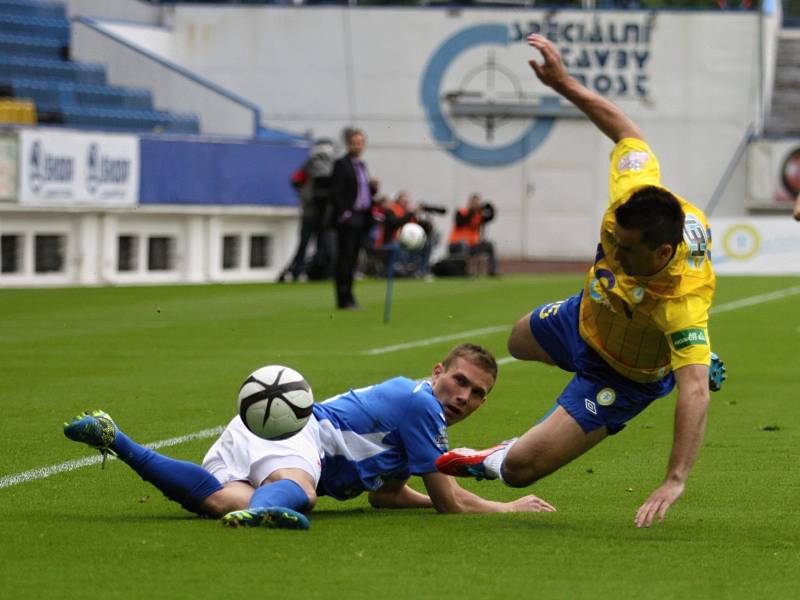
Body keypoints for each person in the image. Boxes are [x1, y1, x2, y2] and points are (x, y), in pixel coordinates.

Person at [436, 34, 726, 529]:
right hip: (585, 316)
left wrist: (675, 477)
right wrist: (564, 83)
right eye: (614, 237)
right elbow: (628, 132)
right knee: (517, 339)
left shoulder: (682, 300)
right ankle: (679, 353)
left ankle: (492, 457)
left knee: (521, 471)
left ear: (661, 253)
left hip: (623, 375)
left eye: (627, 250)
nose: (613, 249)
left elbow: (695, 393)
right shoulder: (633, 197)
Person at [63, 344, 555, 530]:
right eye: (459, 381)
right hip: (295, 430)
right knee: (300, 491)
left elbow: (385, 497)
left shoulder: (417, 413)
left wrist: (433, 496)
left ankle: (117, 438)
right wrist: (507, 507)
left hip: (260, 429)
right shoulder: (422, 406)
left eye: (477, 393)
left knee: (221, 502)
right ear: (437, 373)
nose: (463, 396)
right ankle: (268, 508)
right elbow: (450, 503)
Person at [278, 138, 335, 283]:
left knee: (309, 243)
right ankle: (306, 271)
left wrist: (302, 193)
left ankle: (302, 271)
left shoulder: (309, 165)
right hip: (317, 212)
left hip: (313, 212)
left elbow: (296, 180)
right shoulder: (322, 165)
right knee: (317, 243)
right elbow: (296, 180)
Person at [330, 128, 373, 309]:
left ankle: (350, 296)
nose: (358, 146)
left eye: (361, 142)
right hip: (349, 218)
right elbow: (337, 192)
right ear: (348, 144)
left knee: (354, 259)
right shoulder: (342, 164)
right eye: (355, 142)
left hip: (362, 216)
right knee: (345, 259)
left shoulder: (362, 166)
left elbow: (361, 192)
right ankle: (343, 298)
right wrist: (345, 214)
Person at [448, 193, 498, 276]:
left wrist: (490, 207)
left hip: (473, 245)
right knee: (464, 244)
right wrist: (471, 212)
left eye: (477, 203)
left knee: (489, 245)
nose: (476, 205)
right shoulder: (461, 211)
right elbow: (460, 222)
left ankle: (492, 271)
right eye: (474, 203)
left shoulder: (479, 215)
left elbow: (490, 217)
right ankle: (464, 272)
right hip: (456, 244)